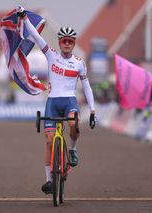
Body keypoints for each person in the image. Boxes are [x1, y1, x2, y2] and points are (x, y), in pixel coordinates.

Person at [16, 6, 96, 194]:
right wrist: (25, 18)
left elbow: (86, 86)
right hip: (52, 102)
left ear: (73, 43)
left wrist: (92, 110)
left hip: (69, 101)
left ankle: (73, 149)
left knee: (72, 125)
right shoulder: (51, 55)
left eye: (70, 41)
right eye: (64, 41)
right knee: (49, 141)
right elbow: (36, 36)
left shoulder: (79, 63)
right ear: (59, 43)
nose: (66, 44)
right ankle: (49, 181)